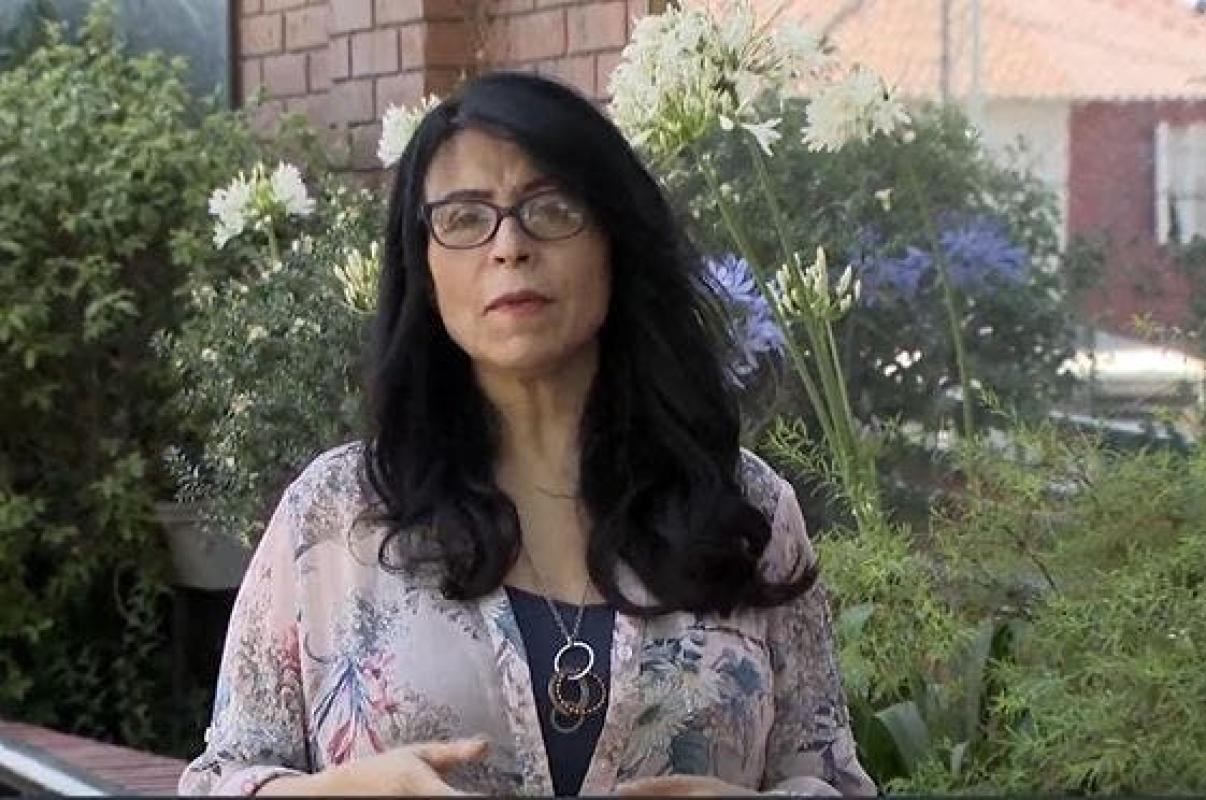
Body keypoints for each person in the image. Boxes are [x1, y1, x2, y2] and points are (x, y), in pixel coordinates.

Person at [178, 71, 875, 797]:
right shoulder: (335, 516)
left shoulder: (744, 509)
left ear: (614, 240)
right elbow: (219, 779)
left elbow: (830, 777)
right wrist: (335, 794)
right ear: (424, 267)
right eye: (464, 217)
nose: (509, 245)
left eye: (551, 208)